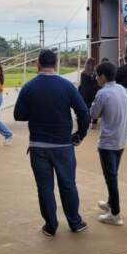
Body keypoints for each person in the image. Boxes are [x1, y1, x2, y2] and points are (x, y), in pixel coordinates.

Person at [14, 49, 90, 236]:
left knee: (44, 187)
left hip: (38, 146)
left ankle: (51, 225)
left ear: (38, 64)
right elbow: (84, 112)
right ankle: (75, 222)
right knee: (68, 185)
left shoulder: (29, 87)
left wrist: (35, 113)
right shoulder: (67, 86)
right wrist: (80, 134)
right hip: (63, 145)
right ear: (55, 64)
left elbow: (18, 115)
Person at [89, 61, 127, 226]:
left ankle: (116, 213)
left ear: (103, 77)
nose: (96, 78)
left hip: (108, 142)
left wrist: (92, 105)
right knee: (112, 174)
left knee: (110, 178)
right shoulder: (121, 89)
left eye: (97, 75)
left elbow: (93, 114)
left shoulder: (103, 93)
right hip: (120, 140)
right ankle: (111, 204)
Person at [79, 58, 99, 129]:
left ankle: (87, 121)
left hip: (85, 94)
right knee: (95, 107)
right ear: (94, 64)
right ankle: (94, 124)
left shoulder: (83, 73)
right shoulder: (95, 73)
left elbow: (82, 85)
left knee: (87, 108)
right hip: (93, 93)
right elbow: (96, 84)